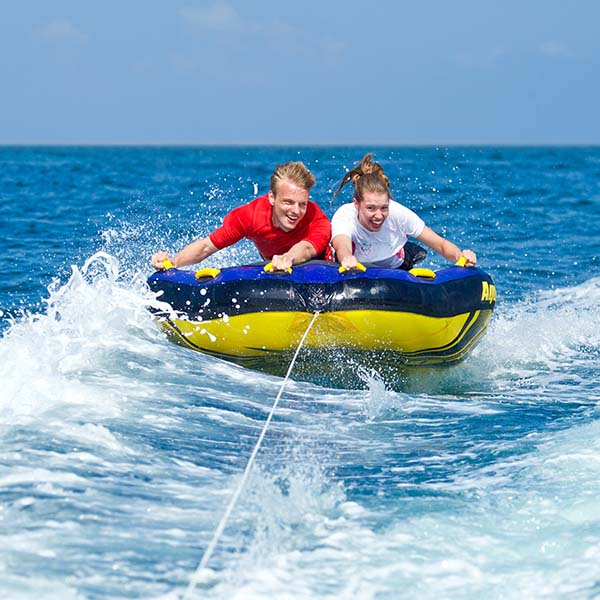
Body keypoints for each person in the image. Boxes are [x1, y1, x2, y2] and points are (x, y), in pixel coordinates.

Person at [151, 161, 331, 272]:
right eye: (288, 202)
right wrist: (173, 262)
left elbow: (306, 248)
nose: (296, 211)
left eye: (302, 204)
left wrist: (288, 258)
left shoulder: (316, 218)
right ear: (272, 197)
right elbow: (206, 247)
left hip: (325, 269)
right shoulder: (250, 216)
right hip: (279, 272)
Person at [331, 154, 477, 270]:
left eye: (384, 208)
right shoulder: (345, 215)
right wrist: (346, 258)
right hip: (356, 265)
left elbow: (440, 244)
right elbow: (341, 243)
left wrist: (461, 256)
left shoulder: (399, 214)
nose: (379, 215)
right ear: (356, 204)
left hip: (396, 265)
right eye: (370, 208)